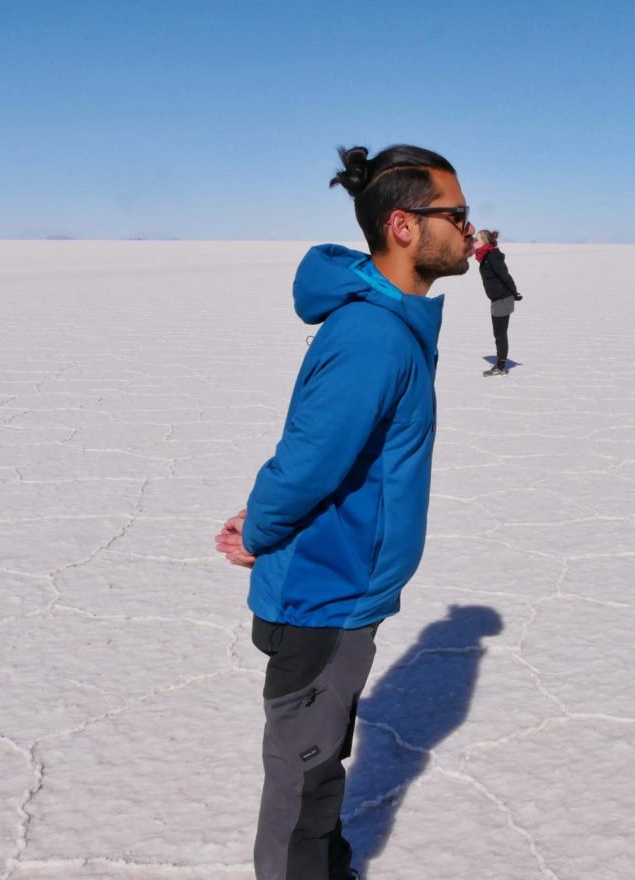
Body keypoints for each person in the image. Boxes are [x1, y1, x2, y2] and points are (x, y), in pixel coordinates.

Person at [215, 143, 474, 880]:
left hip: (342, 587)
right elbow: (308, 462)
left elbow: (333, 457)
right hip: (323, 594)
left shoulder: (392, 324)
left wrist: (265, 519)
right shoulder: (373, 337)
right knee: (302, 775)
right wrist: (260, 529)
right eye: (455, 214)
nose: (469, 230)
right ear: (402, 225)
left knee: (321, 762)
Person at [474, 228, 522, 376]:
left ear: (485, 242)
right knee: (498, 333)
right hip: (497, 300)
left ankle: (501, 368)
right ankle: (500, 365)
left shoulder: (492, 256)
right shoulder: (485, 255)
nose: (475, 242)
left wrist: (514, 292)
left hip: (503, 299)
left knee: (500, 335)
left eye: (478, 239)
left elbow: (505, 275)